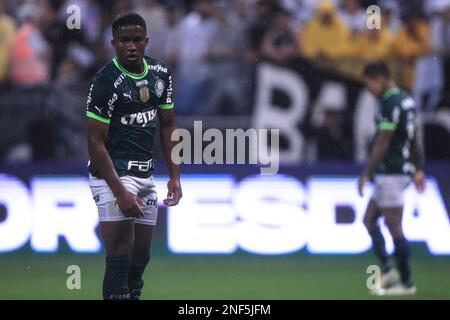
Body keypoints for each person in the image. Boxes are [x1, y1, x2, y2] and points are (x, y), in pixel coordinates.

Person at [86, 12, 182, 300]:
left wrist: (175, 176)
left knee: (141, 259)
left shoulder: (160, 74)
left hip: (146, 175)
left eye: (137, 40)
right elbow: (94, 141)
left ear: (146, 41)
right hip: (112, 174)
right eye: (124, 40)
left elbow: (168, 125)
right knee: (120, 255)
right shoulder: (106, 81)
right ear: (113, 43)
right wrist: (120, 192)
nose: (131, 46)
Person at [358, 61, 425, 296]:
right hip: (399, 169)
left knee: (394, 227)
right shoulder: (406, 99)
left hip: (390, 172)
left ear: (380, 79)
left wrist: (366, 171)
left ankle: (407, 283)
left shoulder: (389, 103)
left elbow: (383, 141)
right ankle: (387, 270)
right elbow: (414, 138)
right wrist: (418, 168)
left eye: (370, 85)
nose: (370, 90)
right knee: (369, 220)